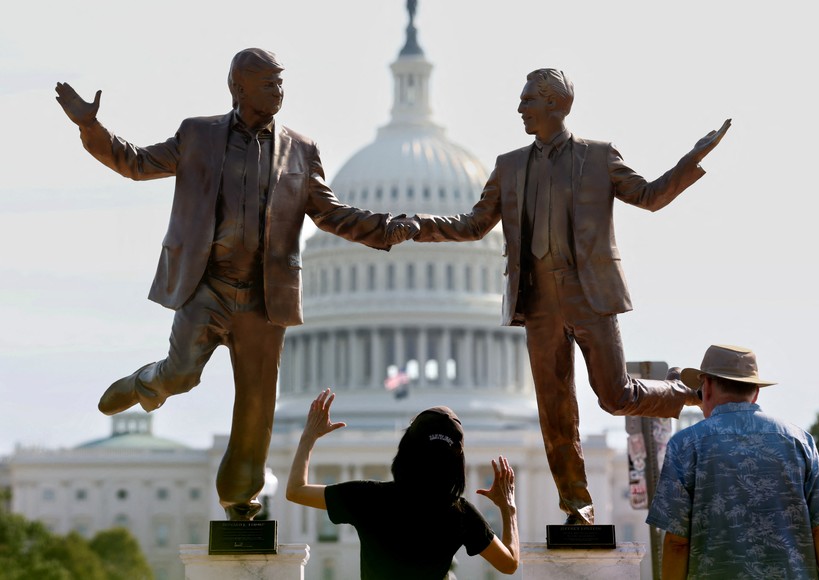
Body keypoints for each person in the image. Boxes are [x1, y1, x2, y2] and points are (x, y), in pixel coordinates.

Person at [54, 49, 414, 520]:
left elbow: (329, 213)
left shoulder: (301, 150)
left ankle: (239, 495)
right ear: (239, 88)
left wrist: (385, 228)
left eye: (282, 84)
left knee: (257, 405)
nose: (279, 92)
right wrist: (91, 128)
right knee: (182, 375)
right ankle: (148, 381)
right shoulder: (198, 134)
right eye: (269, 84)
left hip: (265, 297)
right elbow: (136, 162)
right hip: (208, 284)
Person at [387, 68, 730, 524]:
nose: (520, 108)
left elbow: (648, 196)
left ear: (557, 105)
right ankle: (577, 505)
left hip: (589, 293)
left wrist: (691, 160)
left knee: (615, 396)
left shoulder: (599, 157)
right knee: (555, 414)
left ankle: (684, 390)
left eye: (529, 100)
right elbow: (473, 225)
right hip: (538, 301)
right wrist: (419, 225)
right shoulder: (509, 166)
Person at [647, 344, 819, 579]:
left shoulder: (685, 445)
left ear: (707, 387)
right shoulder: (799, 441)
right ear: (756, 393)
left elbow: (676, 543)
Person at [286, 389, 520, 579]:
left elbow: (295, 491)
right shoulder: (460, 513)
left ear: (406, 450)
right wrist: (508, 509)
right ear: (456, 462)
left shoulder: (368, 497)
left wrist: (309, 436)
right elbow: (509, 564)